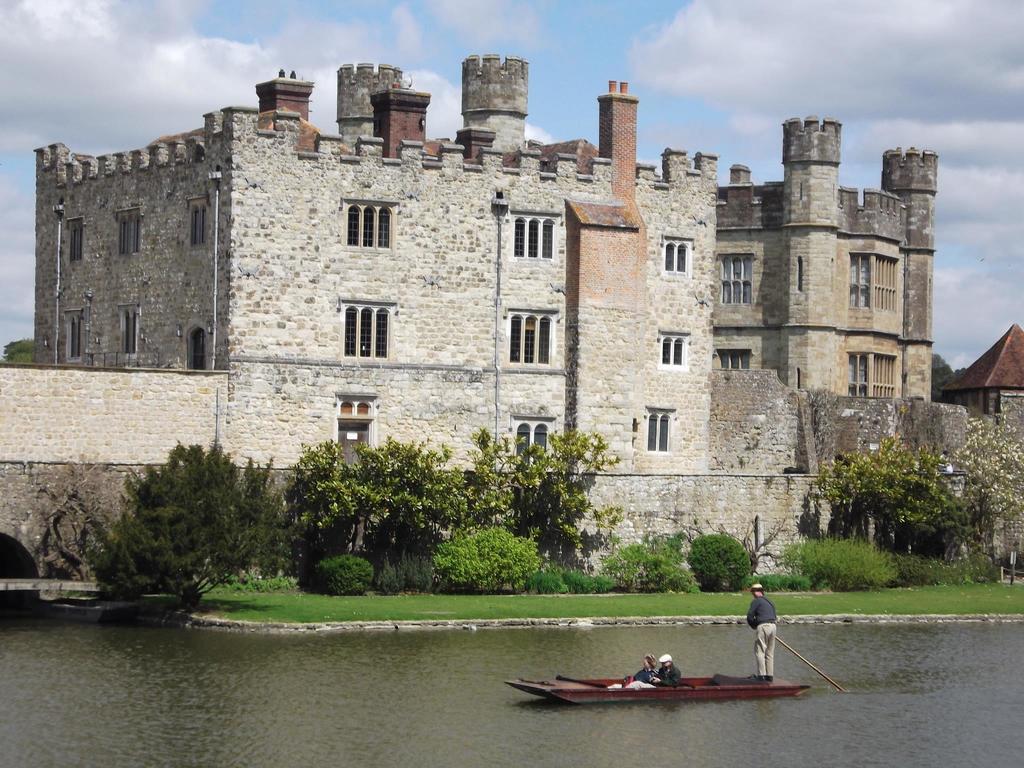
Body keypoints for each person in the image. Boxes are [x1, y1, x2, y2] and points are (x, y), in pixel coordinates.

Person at [746, 582, 777, 682]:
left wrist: (754, 626)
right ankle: (769, 676)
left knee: (760, 651)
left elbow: (750, 616)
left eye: (753, 592)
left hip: (763, 626)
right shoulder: (770, 601)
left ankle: (761, 677)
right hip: (773, 626)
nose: (753, 594)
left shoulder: (756, 601)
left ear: (756, 592)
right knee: (769, 652)